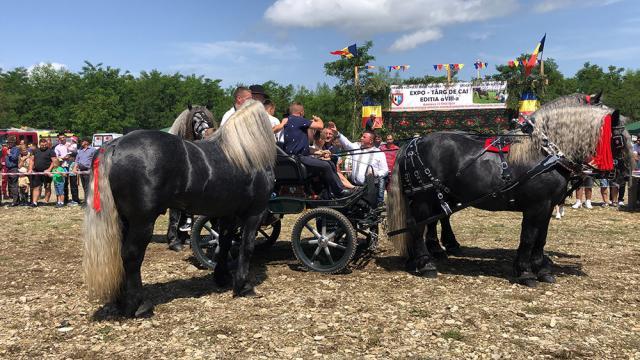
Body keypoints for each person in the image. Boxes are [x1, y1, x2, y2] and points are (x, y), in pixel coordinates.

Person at [282, 102, 349, 198]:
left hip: (298, 157)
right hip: (299, 158)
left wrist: (320, 152)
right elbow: (320, 126)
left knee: (330, 163)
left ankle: (336, 190)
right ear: (301, 112)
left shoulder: (289, 121)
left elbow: (302, 148)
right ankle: (339, 191)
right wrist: (318, 119)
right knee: (326, 165)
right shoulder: (298, 120)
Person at [329, 125, 389, 205]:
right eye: (362, 136)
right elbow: (346, 143)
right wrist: (337, 134)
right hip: (354, 187)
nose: (361, 138)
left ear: (371, 141)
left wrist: (375, 173)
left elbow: (385, 170)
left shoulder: (379, 153)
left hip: (369, 188)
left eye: (364, 137)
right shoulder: (356, 147)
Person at [29, 138, 56, 207]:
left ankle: (46, 201)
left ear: (47, 144)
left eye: (45, 145)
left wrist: (49, 169)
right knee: (36, 187)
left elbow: (54, 161)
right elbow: (32, 160)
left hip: (47, 173)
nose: (44, 146)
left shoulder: (51, 151)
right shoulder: (35, 151)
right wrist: (30, 169)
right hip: (37, 172)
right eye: (42, 145)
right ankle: (34, 202)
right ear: (39, 144)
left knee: (47, 187)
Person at [54, 133, 71, 204]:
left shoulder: (70, 145)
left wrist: (69, 156)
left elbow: (74, 153)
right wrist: (63, 158)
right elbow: (57, 158)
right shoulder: (57, 147)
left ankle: (71, 199)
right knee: (62, 183)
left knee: (71, 183)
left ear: (65, 137)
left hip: (70, 165)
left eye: (63, 137)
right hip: (62, 166)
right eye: (60, 138)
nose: (62, 139)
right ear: (58, 139)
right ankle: (63, 200)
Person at [5, 135, 21, 206]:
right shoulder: (8, 149)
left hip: (14, 168)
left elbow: (14, 158)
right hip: (8, 169)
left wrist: (9, 154)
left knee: (14, 185)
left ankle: (15, 201)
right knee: (10, 185)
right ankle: (16, 200)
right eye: (8, 142)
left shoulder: (16, 149)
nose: (9, 144)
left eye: (10, 142)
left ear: (13, 143)